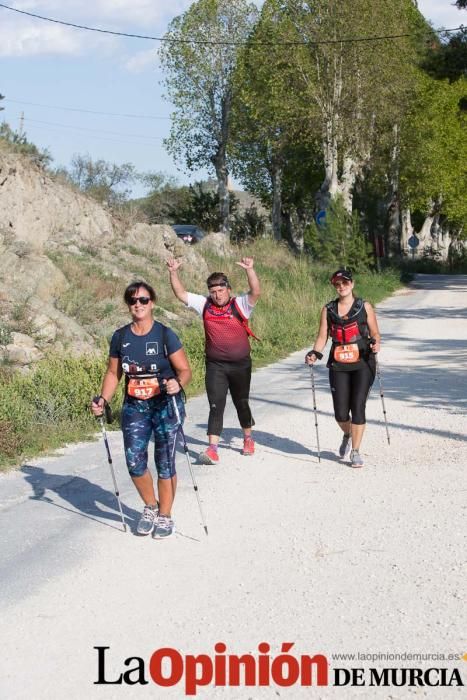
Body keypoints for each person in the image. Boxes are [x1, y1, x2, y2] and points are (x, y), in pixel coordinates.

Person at [91, 280, 192, 538]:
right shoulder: (120, 337)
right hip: (135, 407)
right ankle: (151, 506)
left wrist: (177, 384)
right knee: (134, 461)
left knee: (165, 462)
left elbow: (185, 371)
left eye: (143, 300)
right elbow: (113, 373)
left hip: (165, 405)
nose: (138, 305)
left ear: (152, 303)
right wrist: (103, 399)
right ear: (128, 305)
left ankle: (166, 516)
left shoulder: (164, 334)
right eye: (133, 300)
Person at [166, 256, 260, 464]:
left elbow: (255, 292)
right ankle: (212, 449)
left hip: (240, 365)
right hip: (216, 365)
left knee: (241, 402)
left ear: (228, 289)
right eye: (213, 292)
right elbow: (181, 294)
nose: (217, 295)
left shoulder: (240, 305)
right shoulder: (205, 305)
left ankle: (247, 438)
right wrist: (173, 272)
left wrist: (250, 270)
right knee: (216, 405)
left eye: (220, 291)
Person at [305, 268, 381, 468]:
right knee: (340, 412)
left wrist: (376, 343)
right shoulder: (328, 309)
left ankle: (355, 451)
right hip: (339, 364)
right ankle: (347, 433)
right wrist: (315, 353)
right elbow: (322, 336)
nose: (341, 287)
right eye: (337, 284)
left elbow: (375, 333)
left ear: (352, 284)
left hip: (363, 362)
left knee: (358, 407)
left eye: (345, 283)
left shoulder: (364, 306)